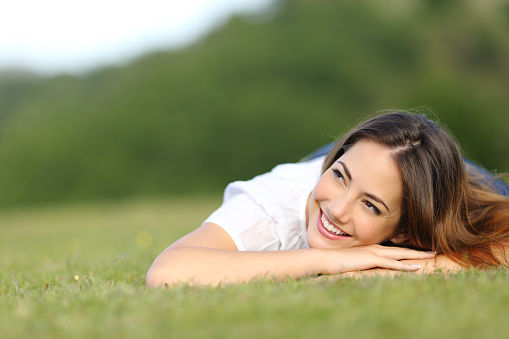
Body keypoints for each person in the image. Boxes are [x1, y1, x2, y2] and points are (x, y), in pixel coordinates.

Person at [146, 110, 509, 287]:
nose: (336, 210)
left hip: (444, 171)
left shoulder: (441, 207)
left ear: (403, 233)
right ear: (333, 162)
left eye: (370, 205)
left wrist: (385, 271)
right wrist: (323, 261)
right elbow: (167, 272)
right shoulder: (270, 207)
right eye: (339, 177)